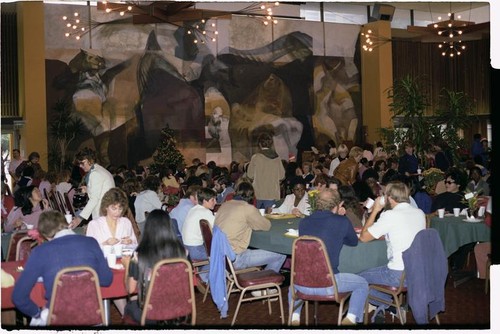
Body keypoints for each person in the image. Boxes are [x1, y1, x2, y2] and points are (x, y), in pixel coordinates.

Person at [12, 210, 112, 325]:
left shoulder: (41, 251)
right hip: (93, 317)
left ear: (45, 235)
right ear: (66, 224)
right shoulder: (91, 242)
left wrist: (38, 314)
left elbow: (18, 297)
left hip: (57, 319)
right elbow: (106, 280)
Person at [290, 188, 368, 326]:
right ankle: (351, 318)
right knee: (362, 284)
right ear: (339, 204)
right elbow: (353, 241)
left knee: (292, 286)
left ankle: (295, 317)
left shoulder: (304, 222)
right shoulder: (341, 222)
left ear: (317, 203)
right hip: (329, 284)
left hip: (301, 286)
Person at [358, 180, 426, 323]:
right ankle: (388, 306)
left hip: (397, 274)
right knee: (375, 277)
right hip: (418, 272)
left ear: (388, 198)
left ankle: (391, 306)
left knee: (358, 280)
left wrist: (376, 210)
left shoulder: (390, 216)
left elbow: (364, 237)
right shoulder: (419, 213)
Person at [214, 182, 286, 287]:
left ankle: (262, 283)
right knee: (281, 254)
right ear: (252, 196)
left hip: (221, 257)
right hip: (236, 259)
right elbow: (266, 226)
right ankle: (264, 286)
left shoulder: (225, 205)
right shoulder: (247, 208)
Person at [122, 209, 187, 324]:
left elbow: (130, 289)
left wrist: (127, 266)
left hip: (151, 313)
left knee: (129, 306)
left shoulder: (140, 255)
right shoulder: (183, 252)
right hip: (180, 309)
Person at [86, 187, 137, 316]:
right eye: (114, 208)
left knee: (135, 276)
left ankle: (135, 313)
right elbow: (89, 251)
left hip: (124, 263)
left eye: (120, 209)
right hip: (105, 265)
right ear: (106, 207)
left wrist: (130, 242)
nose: (117, 212)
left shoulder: (126, 222)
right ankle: (127, 315)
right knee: (115, 282)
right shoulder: (95, 224)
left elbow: (135, 245)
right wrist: (104, 243)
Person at [71, 148, 115, 229]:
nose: (80, 166)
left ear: (89, 160)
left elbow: (94, 199)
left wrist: (79, 219)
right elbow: (102, 191)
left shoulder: (95, 174)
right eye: (79, 164)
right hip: (108, 211)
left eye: (82, 163)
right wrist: (88, 189)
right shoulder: (99, 170)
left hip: (102, 214)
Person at [181, 187, 217, 283]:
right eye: (213, 200)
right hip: (195, 250)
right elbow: (218, 228)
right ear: (205, 201)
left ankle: (203, 272)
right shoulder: (205, 212)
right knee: (221, 255)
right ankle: (205, 276)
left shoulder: (194, 209)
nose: (215, 202)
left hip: (186, 248)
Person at [247, 132, 285, 210]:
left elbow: (249, 175)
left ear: (260, 144)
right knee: (270, 219)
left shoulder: (256, 157)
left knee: (256, 218)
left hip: (258, 193)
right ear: (271, 144)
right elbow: (282, 176)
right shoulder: (277, 158)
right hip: (272, 193)